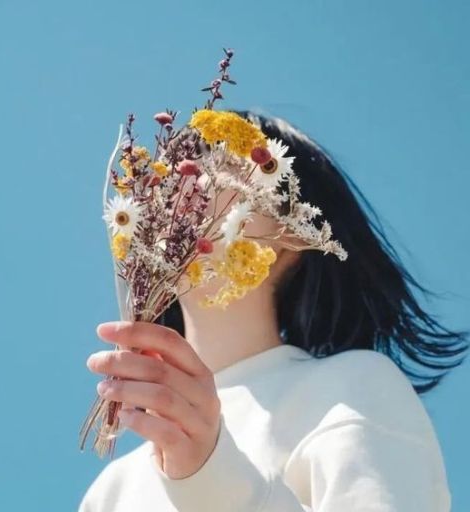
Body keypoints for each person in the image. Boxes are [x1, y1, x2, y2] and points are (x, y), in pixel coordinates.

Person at [78, 110, 468, 511]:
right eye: (169, 177)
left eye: (223, 167)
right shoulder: (110, 493)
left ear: (295, 234)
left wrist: (210, 476)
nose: (185, 188)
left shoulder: (352, 389)